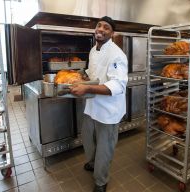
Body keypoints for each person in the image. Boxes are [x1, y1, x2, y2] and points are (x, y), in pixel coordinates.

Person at [70, 16, 128, 192]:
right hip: (91, 106)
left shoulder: (117, 54)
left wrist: (87, 89)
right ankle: (94, 162)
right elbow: (93, 74)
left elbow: (118, 85)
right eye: (99, 26)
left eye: (106, 28)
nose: (101, 29)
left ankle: (101, 181)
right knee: (88, 139)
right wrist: (81, 78)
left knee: (105, 147)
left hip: (109, 110)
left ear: (112, 33)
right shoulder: (93, 50)